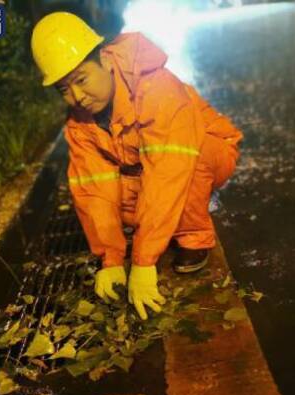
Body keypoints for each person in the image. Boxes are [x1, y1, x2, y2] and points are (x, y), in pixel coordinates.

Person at [31, 12, 242, 320]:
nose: (77, 97)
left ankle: (194, 236)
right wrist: (111, 259)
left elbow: (168, 170)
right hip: (146, 164)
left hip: (206, 150)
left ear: (104, 59)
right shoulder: (79, 125)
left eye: (81, 80)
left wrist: (143, 263)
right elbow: (94, 188)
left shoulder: (156, 88)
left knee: (187, 164)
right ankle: (159, 232)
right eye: (64, 89)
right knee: (127, 204)